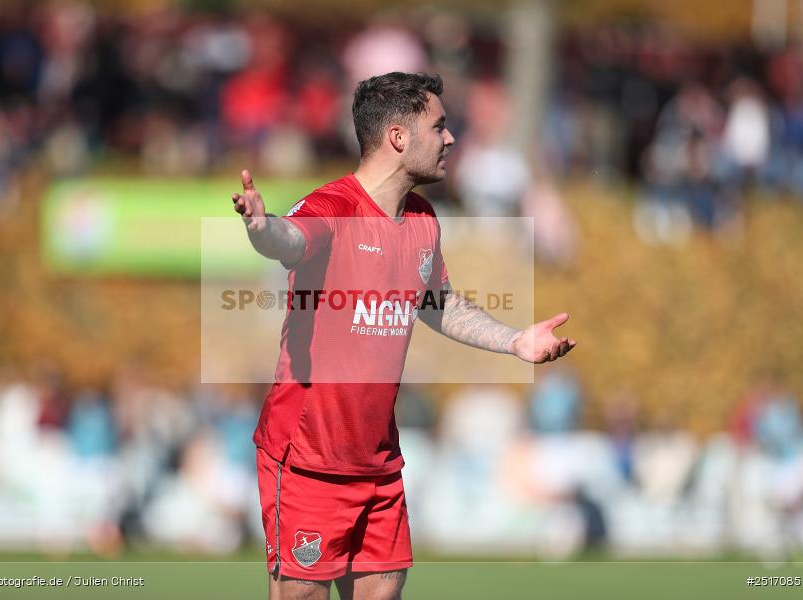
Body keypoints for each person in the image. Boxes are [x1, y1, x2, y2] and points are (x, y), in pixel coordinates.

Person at [230, 72, 576, 600]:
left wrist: (514, 341)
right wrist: (262, 227)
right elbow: (290, 238)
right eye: (439, 126)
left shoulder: (422, 218)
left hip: (378, 463)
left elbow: (437, 304)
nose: (451, 138)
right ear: (398, 136)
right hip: (307, 460)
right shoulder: (333, 206)